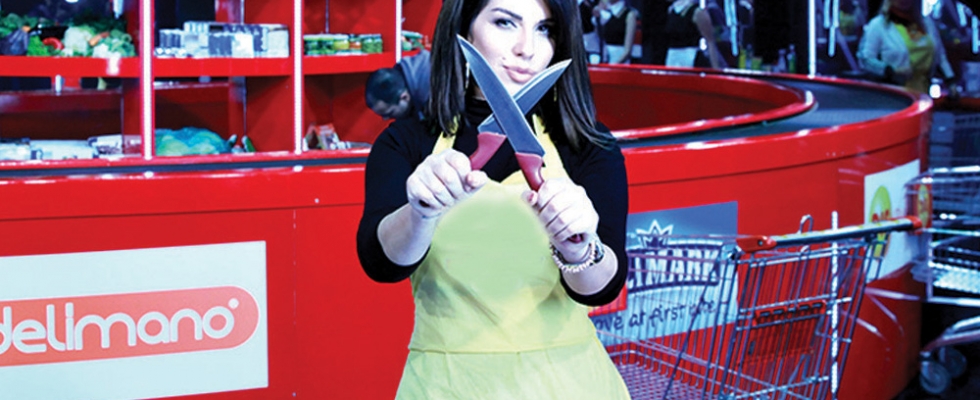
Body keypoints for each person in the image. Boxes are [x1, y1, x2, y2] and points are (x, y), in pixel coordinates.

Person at [355, 0, 630, 398]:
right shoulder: (406, 143)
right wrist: (420, 213)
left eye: (545, 29)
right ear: (465, 29)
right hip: (446, 386)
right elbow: (381, 264)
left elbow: (602, 289)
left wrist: (579, 247)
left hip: (571, 383)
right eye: (505, 22)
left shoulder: (588, 145)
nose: (527, 49)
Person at [856, 0, 955, 93]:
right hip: (895, 93)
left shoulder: (926, 23)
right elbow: (865, 59)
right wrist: (891, 71)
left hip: (923, 92)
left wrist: (951, 81)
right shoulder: (878, 25)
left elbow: (940, 56)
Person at [364, 49, 431, 120]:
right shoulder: (405, 74)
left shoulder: (431, 91)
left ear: (405, 97)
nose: (386, 119)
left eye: (390, 113)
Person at [664, 0, 724, 68]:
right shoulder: (671, 10)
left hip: (690, 58)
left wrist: (715, 68)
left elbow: (710, 42)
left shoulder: (698, 12)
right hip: (672, 58)